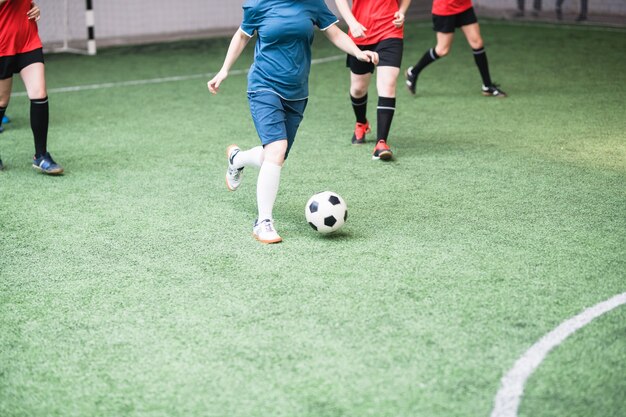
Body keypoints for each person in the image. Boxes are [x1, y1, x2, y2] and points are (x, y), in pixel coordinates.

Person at [207, 0, 378, 244]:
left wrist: (359, 52)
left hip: (297, 92)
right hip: (263, 86)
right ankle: (263, 222)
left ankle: (237, 159)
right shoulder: (258, 4)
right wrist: (224, 70)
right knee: (276, 150)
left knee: (275, 156)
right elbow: (242, 36)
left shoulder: (312, 3)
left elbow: (333, 31)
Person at [334, 0, 412, 161]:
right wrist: (352, 22)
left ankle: (381, 143)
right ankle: (361, 123)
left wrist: (402, 11)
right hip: (360, 33)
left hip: (391, 31)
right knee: (358, 89)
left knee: (388, 85)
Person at [0, 0, 63, 174]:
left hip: (28, 40)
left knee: (39, 93)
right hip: (2, 44)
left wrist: (33, 7)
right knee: (2, 100)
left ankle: (41, 156)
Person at [405, 0, 507, 98]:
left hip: (464, 6)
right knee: (442, 50)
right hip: (445, 8)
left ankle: (487, 85)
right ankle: (413, 72)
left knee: (477, 43)